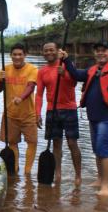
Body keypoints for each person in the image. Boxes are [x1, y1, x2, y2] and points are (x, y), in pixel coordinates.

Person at [59, 32, 108, 197]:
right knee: (97, 150)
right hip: (94, 117)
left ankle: (105, 186)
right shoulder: (92, 70)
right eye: (98, 50)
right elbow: (75, 74)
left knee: (104, 150)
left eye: (105, 50)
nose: (101, 53)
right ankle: (99, 178)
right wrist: (66, 59)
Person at [35, 41, 82, 186]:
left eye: (51, 50)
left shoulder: (67, 65)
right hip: (52, 110)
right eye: (46, 51)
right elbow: (39, 94)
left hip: (69, 109)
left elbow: (73, 83)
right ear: (43, 53)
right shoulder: (42, 71)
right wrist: (37, 113)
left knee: (72, 143)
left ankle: (78, 175)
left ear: (58, 51)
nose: (49, 53)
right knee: (56, 144)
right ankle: (58, 174)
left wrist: (65, 74)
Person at [0, 43, 38, 175]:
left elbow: (31, 86)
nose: (17, 57)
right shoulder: (5, 69)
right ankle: (15, 169)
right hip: (10, 114)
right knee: (12, 143)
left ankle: (28, 172)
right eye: (14, 54)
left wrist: (21, 98)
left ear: (25, 55)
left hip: (28, 114)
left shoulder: (32, 69)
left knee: (32, 142)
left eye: (20, 54)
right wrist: (1, 80)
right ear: (10, 55)